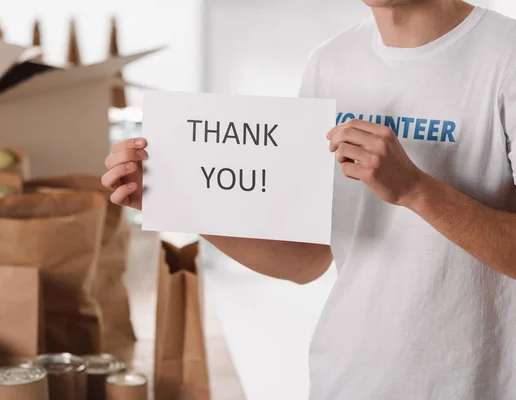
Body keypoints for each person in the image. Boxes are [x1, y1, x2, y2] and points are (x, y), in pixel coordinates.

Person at [103, 0, 516, 398]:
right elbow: (304, 259)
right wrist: (174, 196)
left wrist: (415, 191)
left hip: (473, 385)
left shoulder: (505, 56)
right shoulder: (331, 63)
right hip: (344, 380)